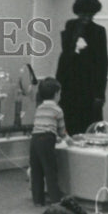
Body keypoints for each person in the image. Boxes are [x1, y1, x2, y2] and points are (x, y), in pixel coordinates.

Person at [55, 0, 108, 136]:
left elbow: (103, 63)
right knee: (69, 123)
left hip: (89, 85)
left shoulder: (99, 31)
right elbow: (66, 54)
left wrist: (100, 94)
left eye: (90, 15)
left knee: (89, 125)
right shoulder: (71, 26)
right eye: (83, 14)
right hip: (70, 84)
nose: (86, 18)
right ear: (78, 12)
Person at [29, 77, 66, 206]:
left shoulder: (39, 108)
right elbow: (62, 132)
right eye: (60, 93)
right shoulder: (58, 110)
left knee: (36, 171)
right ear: (56, 94)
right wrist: (70, 140)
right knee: (50, 171)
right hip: (47, 140)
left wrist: (55, 135)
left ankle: (38, 200)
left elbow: (42, 126)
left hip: (35, 140)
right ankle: (56, 200)